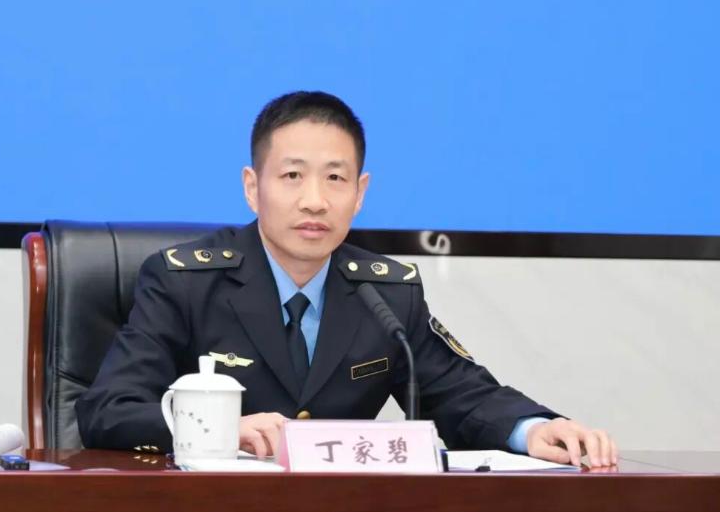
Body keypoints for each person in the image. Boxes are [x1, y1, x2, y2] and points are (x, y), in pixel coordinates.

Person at [76, 91, 617, 467]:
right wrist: (218, 430)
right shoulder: (185, 283)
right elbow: (108, 410)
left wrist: (534, 429)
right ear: (252, 187)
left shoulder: (385, 293)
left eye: (335, 178)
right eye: (292, 176)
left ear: (359, 194)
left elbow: (462, 395)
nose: (315, 200)